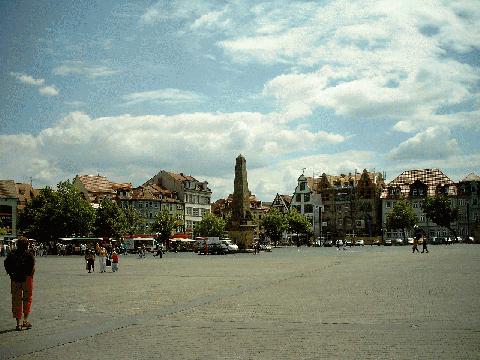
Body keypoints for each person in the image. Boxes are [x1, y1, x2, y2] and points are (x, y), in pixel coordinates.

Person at [3, 237, 35, 331]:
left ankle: (18, 323)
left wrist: (11, 273)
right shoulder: (29, 254)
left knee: (16, 299)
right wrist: (29, 275)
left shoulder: (12, 254)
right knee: (27, 299)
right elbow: (32, 267)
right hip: (27, 278)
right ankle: (25, 320)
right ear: (27, 245)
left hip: (15, 279)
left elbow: (6, 264)